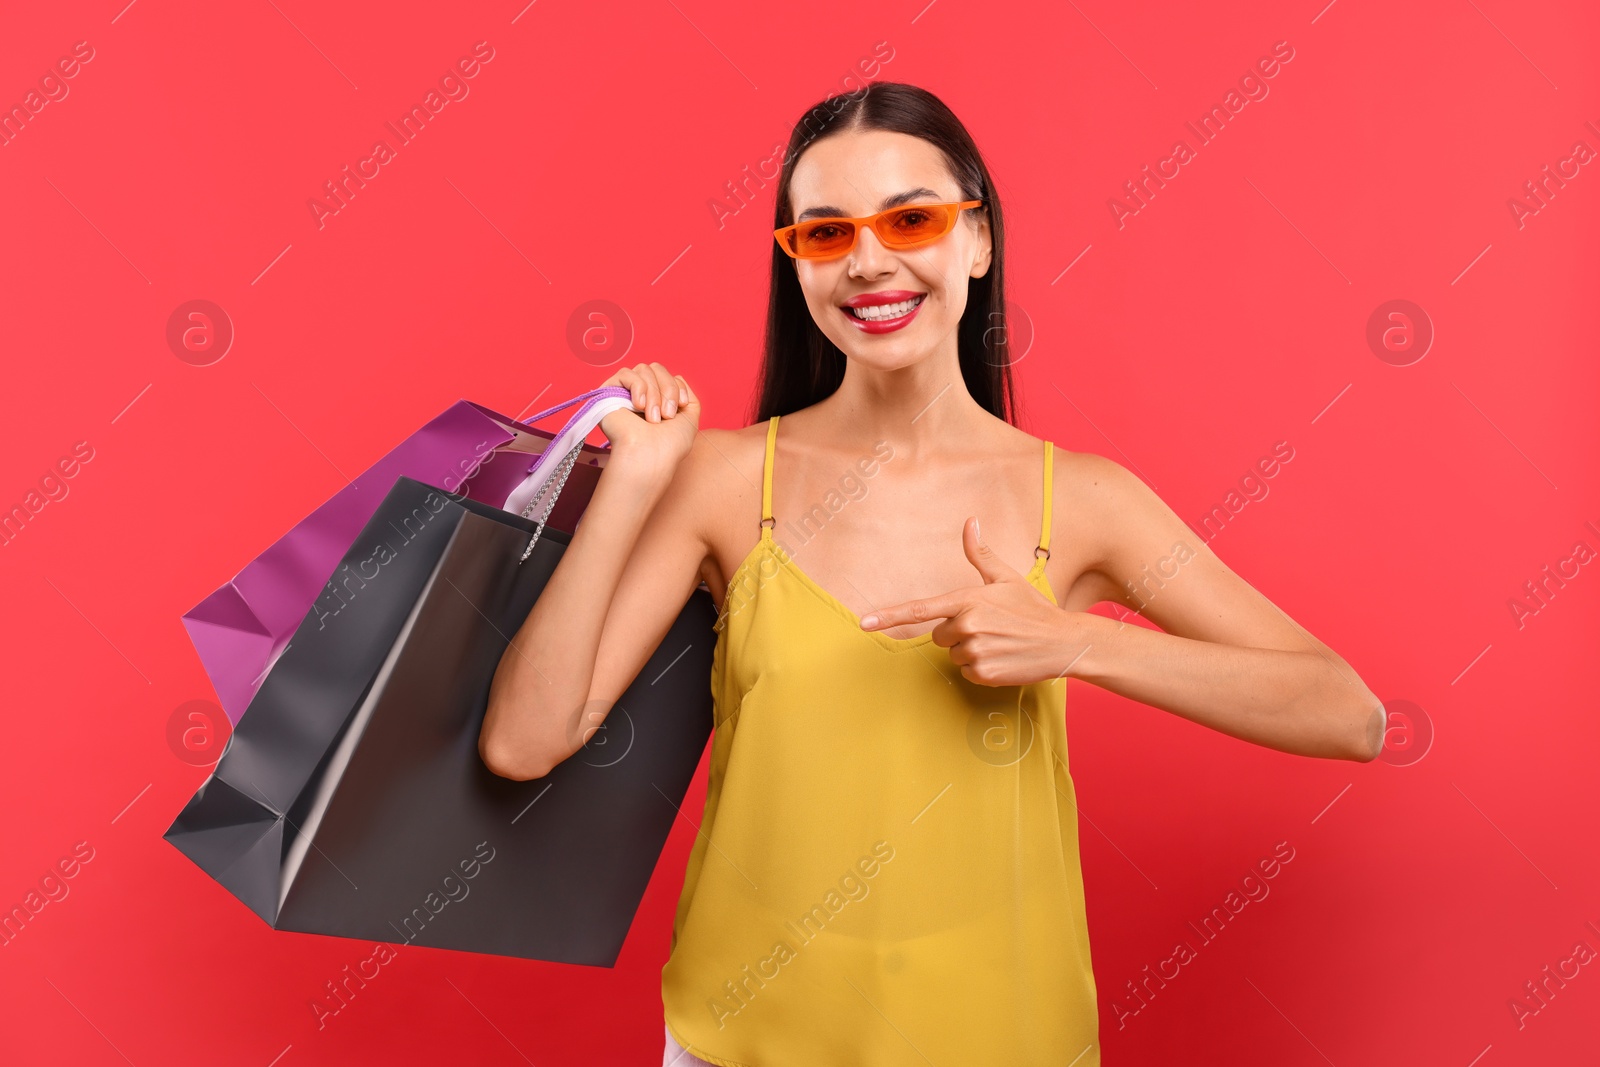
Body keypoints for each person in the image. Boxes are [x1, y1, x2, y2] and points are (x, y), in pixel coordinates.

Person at [479, 81, 1383, 1067]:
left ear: (978, 240)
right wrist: (634, 483)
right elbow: (525, 740)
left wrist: (1077, 642)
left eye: (909, 218)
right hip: (741, 1042)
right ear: (796, 265)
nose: (868, 261)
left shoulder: (1082, 501)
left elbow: (1345, 711)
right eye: (824, 235)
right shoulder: (727, 481)